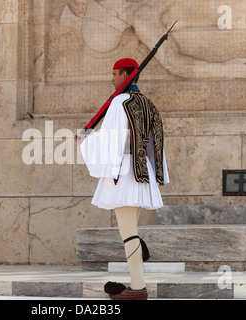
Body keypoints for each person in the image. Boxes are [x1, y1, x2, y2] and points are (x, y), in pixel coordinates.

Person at [77, 58, 169, 300]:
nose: (112, 78)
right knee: (131, 230)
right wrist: (155, 172)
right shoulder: (148, 104)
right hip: (142, 171)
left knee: (127, 233)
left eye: (116, 74)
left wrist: (85, 139)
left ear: (126, 75)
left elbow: (110, 140)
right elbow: (156, 143)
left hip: (124, 172)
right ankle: (138, 258)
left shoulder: (119, 102)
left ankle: (138, 289)